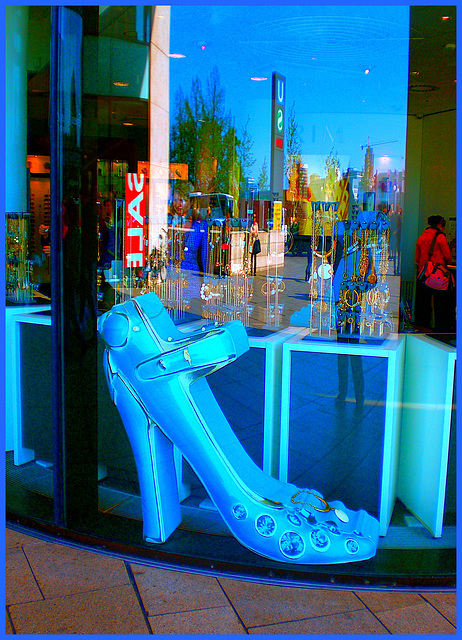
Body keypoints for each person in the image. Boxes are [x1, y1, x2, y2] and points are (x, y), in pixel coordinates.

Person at [414, 215, 453, 332]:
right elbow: (447, 256)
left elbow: (417, 257)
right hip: (437, 275)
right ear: (440, 225)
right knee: (440, 302)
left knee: (423, 302)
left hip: (423, 274)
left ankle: (423, 325)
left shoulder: (421, 237)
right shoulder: (440, 237)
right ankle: (441, 327)